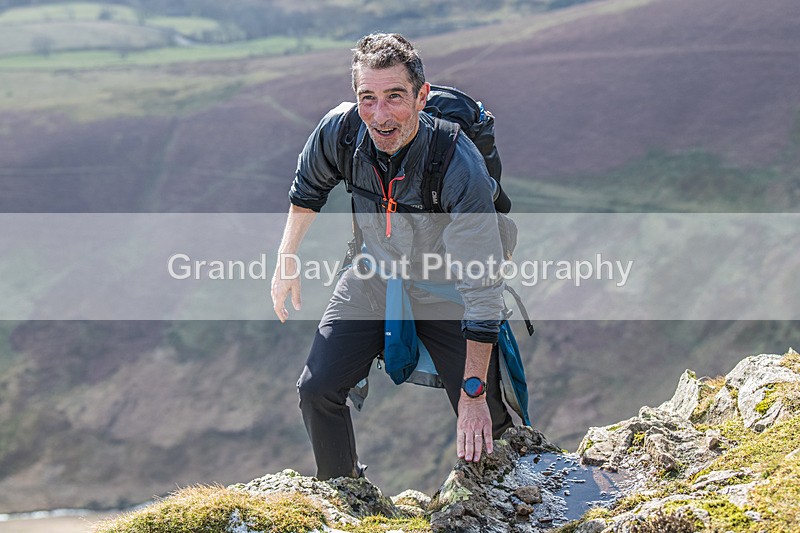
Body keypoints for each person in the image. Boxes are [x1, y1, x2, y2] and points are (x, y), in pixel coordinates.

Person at [271, 32, 514, 481]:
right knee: (317, 389)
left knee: (488, 423)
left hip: (447, 288)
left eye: (395, 97)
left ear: (422, 96)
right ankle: (344, 491)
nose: (380, 116)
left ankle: (503, 497)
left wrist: (474, 393)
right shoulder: (342, 132)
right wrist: (287, 257)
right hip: (374, 273)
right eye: (368, 98)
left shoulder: (458, 165)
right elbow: (307, 190)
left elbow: (482, 290)